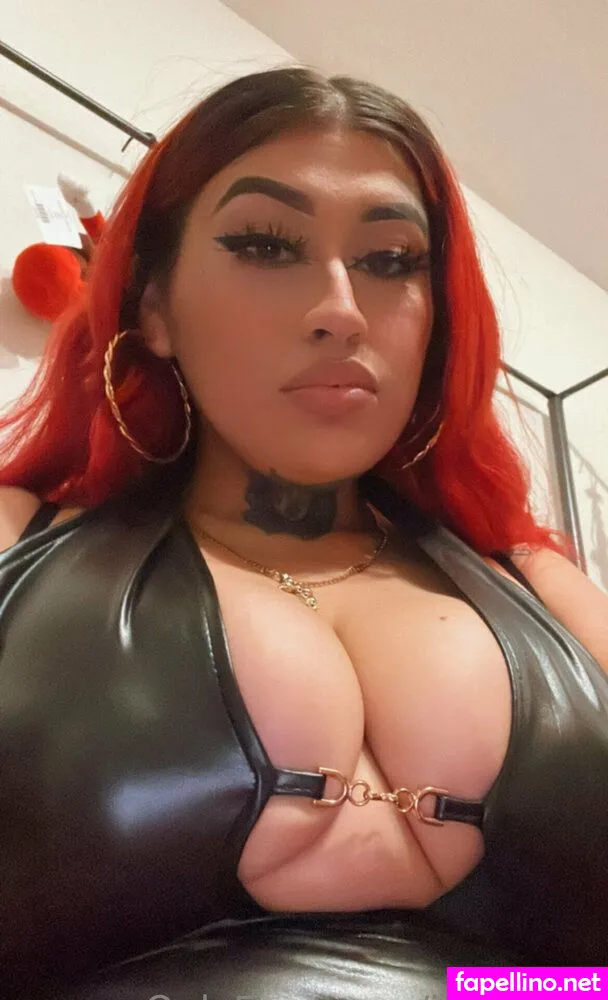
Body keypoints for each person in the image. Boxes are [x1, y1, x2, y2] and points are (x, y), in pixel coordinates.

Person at [0, 67, 607, 998]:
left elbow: (582, 981)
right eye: (264, 244)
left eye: (392, 260)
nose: (340, 309)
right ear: (154, 306)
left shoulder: (541, 585)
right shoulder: (19, 542)